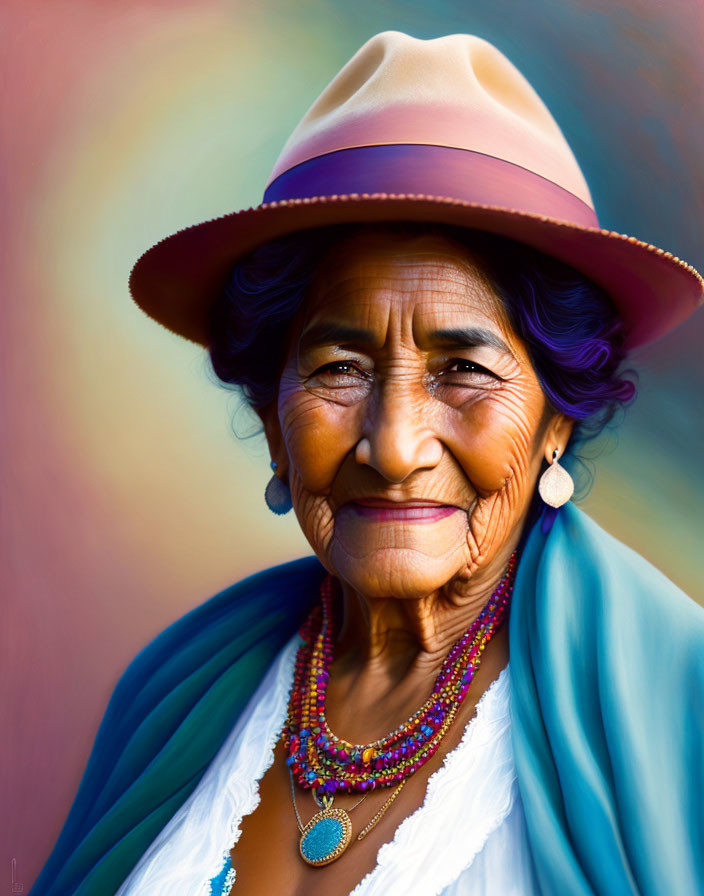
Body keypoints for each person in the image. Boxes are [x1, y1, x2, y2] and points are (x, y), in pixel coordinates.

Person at [30, 30, 703, 896]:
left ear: (554, 423)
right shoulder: (171, 695)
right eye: (339, 370)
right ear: (274, 420)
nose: (394, 447)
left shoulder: (676, 711)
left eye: (463, 370)